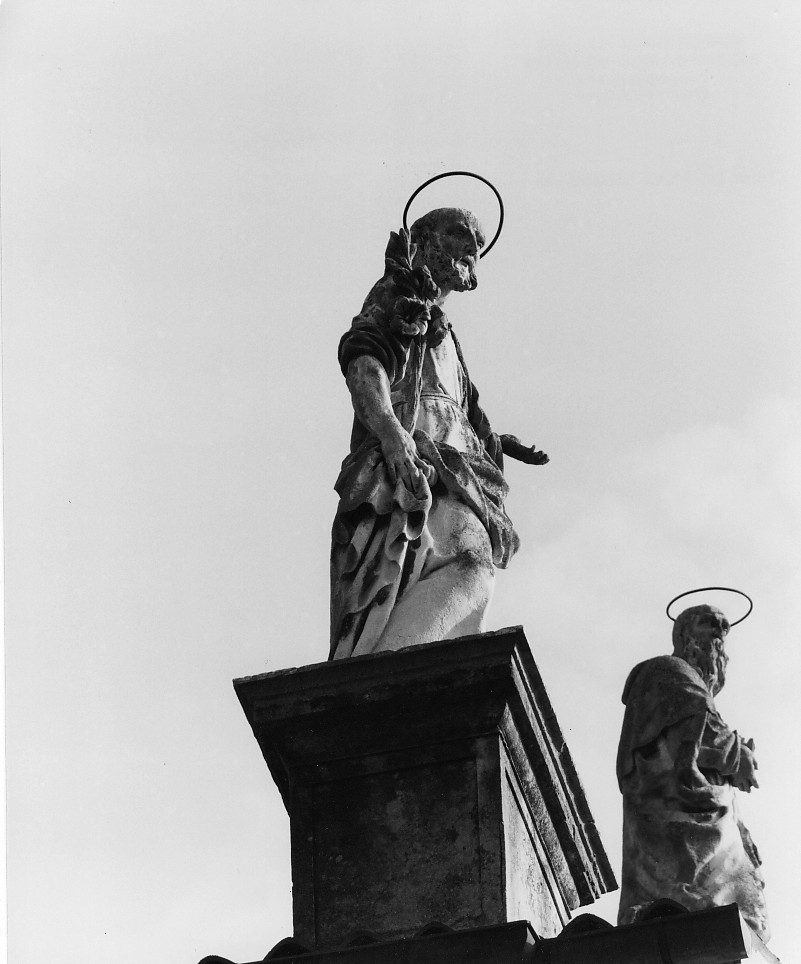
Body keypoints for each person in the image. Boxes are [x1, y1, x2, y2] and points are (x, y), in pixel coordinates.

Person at [330, 207, 546, 660]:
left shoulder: (448, 335)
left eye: (479, 245)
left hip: (455, 464)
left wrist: (498, 443)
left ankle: (400, 666)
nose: (473, 248)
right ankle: (395, 669)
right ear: (425, 237)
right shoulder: (399, 292)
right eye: (461, 234)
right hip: (415, 460)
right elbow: (365, 363)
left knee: (464, 569)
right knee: (468, 562)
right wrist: (390, 431)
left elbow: (460, 409)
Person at [616, 604, 770, 940]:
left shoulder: (690, 684)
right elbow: (697, 722)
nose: (718, 635)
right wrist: (737, 754)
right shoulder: (666, 670)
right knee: (694, 907)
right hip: (676, 809)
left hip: (705, 812)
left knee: (740, 910)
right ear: (686, 635)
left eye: (723, 629)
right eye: (709, 624)